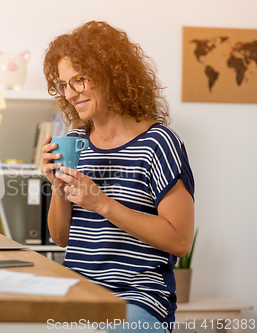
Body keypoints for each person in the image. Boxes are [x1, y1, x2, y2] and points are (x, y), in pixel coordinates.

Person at [41, 21, 195, 332]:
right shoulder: (75, 141)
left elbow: (180, 240)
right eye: (63, 84)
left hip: (137, 300)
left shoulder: (158, 143)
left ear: (110, 74)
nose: (70, 94)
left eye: (79, 80)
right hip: (78, 294)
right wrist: (57, 187)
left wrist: (102, 203)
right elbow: (61, 238)